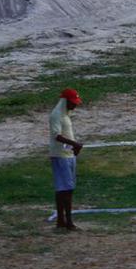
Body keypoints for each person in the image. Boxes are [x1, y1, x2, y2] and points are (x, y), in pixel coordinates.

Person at [49, 88, 84, 230]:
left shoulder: (65, 115)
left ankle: (62, 221)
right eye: (72, 103)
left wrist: (73, 147)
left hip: (68, 155)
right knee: (66, 189)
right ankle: (67, 222)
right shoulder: (56, 115)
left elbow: (66, 136)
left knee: (64, 188)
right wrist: (75, 144)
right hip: (60, 156)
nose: (75, 105)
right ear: (65, 101)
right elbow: (57, 136)